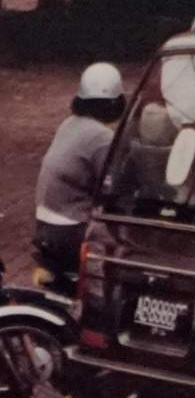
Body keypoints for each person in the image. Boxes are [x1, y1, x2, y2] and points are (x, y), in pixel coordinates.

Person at [33, 64, 126, 280]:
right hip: (70, 229)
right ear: (117, 103)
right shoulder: (102, 137)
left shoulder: (69, 124)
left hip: (44, 222)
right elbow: (111, 187)